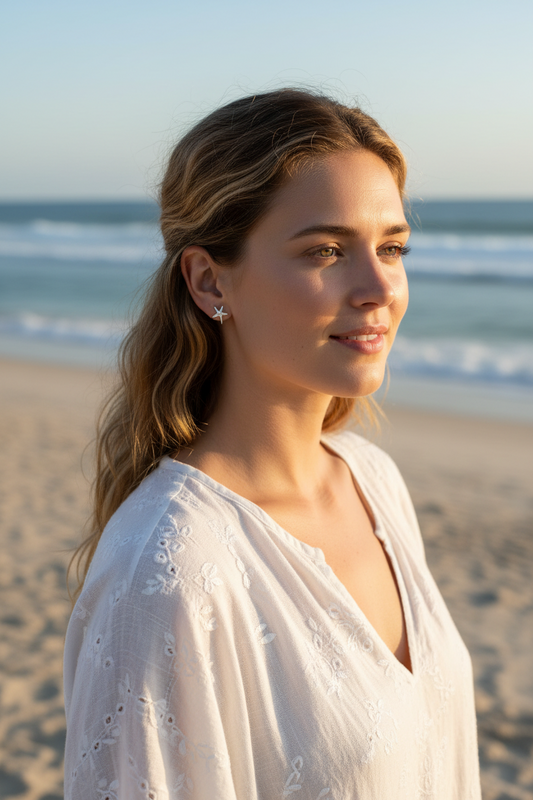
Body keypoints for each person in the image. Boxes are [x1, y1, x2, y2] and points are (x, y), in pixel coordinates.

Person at [63, 88, 481, 799]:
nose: (379, 285)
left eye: (391, 247)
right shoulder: (168, 570)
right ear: (207, 279)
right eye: (325, 249)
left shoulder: (370, 479)